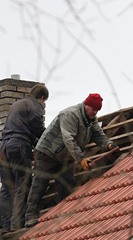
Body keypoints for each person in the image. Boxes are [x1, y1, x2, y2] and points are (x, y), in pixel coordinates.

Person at [24, 93, 118, 227]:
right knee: (40, 183)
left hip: (65, 157)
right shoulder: (70, 114)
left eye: (98, 110)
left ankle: (64, 215)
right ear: (86, 105)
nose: (95, 112)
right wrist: (81, 159)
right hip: (47, 152)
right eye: (94, 109)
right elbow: (69, 139)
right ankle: (30, 216)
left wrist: (108, 144)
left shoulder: (91, 120)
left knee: (66, 183)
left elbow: (98, 135)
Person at [0, 83, 49, 232]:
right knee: (23, 184)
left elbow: (21, 127)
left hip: (4, 148)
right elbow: (36, 126)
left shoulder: (16, 105)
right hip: (19, 146)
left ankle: (5, 226)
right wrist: (47, 139)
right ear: (42, 98)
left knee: (7, 188)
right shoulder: (35, 106)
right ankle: (17, 224)